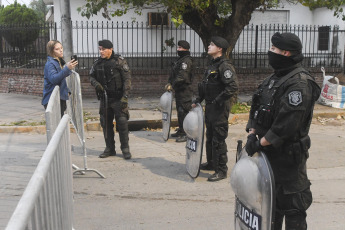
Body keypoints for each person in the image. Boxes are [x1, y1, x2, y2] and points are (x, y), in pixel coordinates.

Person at [245, 32, 321, 229]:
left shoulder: (299, 83)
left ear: (286, 53)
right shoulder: (274, 79)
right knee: (270, 209)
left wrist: (259, 144)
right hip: (267, 157)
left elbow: (286, 126)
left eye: (273, 49)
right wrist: (252, 133)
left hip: (288, 161)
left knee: (293, 209)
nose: (270, 52)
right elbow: (257, 106)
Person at [192, 36, 239, 182]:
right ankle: (212, 163)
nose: (209, 46)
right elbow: (205, 86)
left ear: (220, 49)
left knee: (218, 139)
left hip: (219, 108)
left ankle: (221, 170)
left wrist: (218, 101)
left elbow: (232, 86)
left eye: (212, 45)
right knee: (210, 137)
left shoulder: (225, 66)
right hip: (210, 107)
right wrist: (199, 100)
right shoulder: (212, 65)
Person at [90, 39, 132, 159]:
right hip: (105, 99)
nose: (101, 52)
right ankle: (109, 148)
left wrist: (125, 97)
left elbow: (127, 80)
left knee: (122, 123)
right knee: (106, 124)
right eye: (100, 49)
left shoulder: (119, 62)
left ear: (110, 49)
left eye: (103, 49)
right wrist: (96, 84)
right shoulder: (97, 63)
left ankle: (125, 148)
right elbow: (91, 77)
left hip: (119, 98)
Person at [165, 40, 194, 142]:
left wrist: (172, 85)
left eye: (180, 48)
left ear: (186, 49)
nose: (178, 49)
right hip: (179, 90)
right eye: (178, 47)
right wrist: (169, 82)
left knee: (184, 111)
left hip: (185, 90)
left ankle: (187, 133)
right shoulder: (180, 60)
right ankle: (181, 130)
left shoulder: (186, 61)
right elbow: (174, 74)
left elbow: (182, 76)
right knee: (180, 111)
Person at [42, 40, 78, 117]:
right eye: (57, 49)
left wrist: (66, 91)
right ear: (51, 51)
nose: (61, 50)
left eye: (61, 48)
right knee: (57, 126)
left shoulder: (58, 61)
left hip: (58, 98)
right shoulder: (51, 64)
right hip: (52, 99)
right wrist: (67, 69)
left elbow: (61, 79)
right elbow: (54, 79)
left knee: (60, 124)